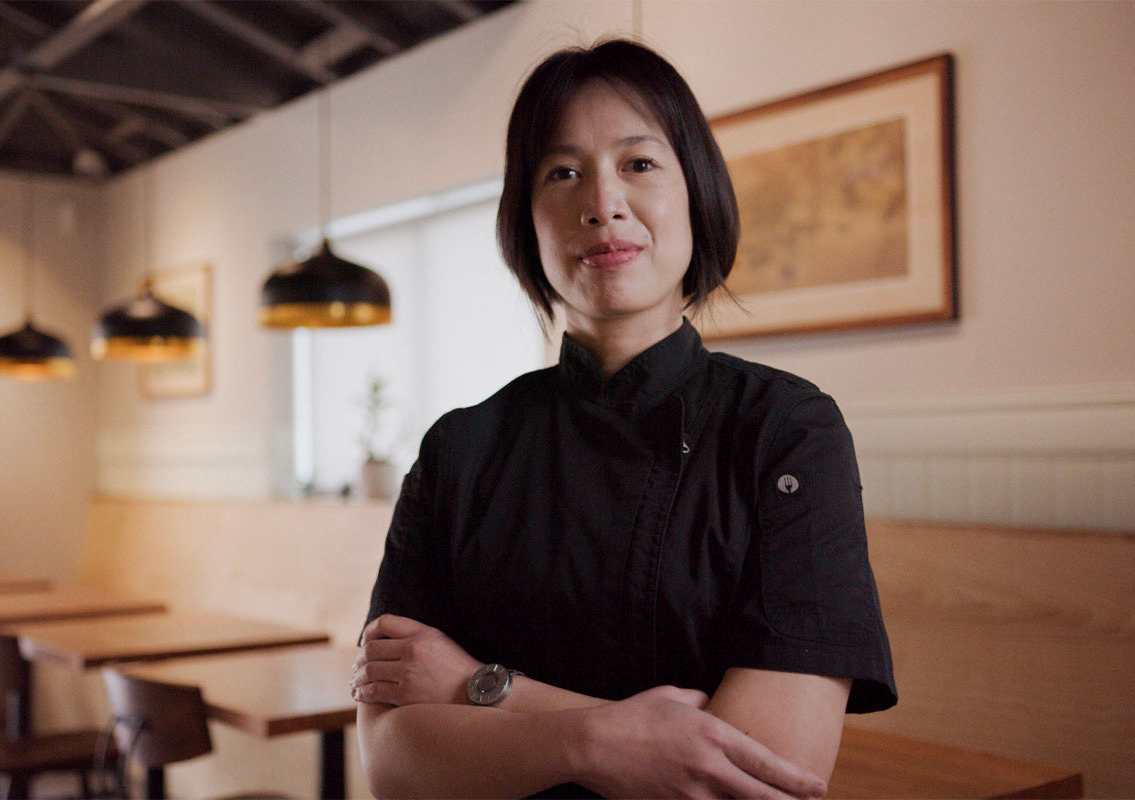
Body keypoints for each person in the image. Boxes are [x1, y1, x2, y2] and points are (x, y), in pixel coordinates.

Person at [352, 38, 896, 799]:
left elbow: (759, 780)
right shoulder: (460, 449)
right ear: (526, 218)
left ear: (697, 194)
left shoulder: (786, 429)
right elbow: (390, 763)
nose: (601, 203)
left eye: (638, 164)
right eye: (562, 172)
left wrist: (485, 688)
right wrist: (603, 742)